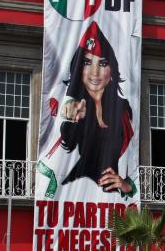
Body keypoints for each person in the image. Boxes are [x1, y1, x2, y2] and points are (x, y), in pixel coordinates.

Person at [57, 21, 136, 197]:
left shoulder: (123, 108)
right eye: (86, 62)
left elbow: (132, 156)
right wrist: (72, 120)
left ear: (112, 70)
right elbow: (66, 143)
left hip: (112, 195)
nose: (94, 72)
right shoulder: (74, 105)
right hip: (77, 189)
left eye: (102, 64)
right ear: (78, 70)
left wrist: (128, 185)